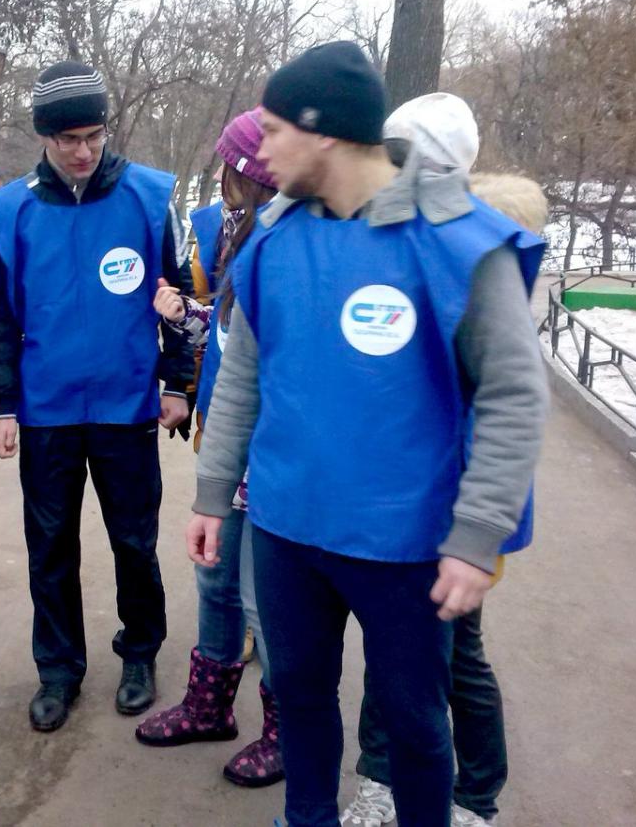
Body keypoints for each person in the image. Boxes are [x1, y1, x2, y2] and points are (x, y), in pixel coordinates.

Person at [187, 42, 549, 826]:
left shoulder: (455, 240)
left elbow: (516, 395)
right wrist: (213, 496)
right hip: (287, 531)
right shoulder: (276, 239)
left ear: (323, 133)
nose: (260, 147)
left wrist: (476, 535)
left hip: (404, 546)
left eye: (275, 128)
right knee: (304, 704)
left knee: (416, 729)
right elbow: (244, 374)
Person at [341, 92, 549, 827]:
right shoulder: (405, 239)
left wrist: (475, 523)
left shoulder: (472, 247)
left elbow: (506, 404)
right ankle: (382, 777)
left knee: (456, 656)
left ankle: (475, 796)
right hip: (404, 500)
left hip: (457, 507)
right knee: (399, 647)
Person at [0, 60, 195, 732]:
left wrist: (178, 383)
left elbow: (178, 301)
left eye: (94, 135)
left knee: (134, 540)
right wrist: (6, 403)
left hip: (126, 406)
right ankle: (58, 669)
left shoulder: (148, 199)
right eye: (68, 138)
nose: (83, 151)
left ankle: (139, 654)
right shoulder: (11, 212)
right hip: (47, 413)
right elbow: (3, 318)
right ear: (43, 136)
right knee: (50, 547)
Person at [135, 109, 284, 789]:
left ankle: (287, 731)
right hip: (224, 438)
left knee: (268, 598)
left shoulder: (282, 242)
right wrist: (184, 314)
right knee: (215, 577)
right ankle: (209, 705)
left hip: (272, 455)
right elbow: (228, 334)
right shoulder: (227, 236)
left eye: (226, 162)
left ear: (241, 172)